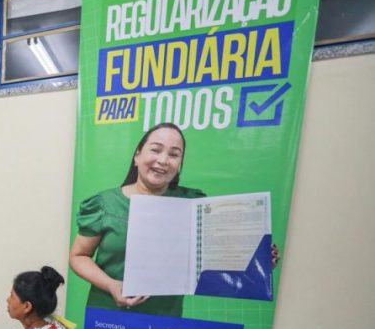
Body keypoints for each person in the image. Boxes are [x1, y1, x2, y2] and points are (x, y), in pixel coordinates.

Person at [70, 122, 280, 316]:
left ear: (179, 164)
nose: (163, 160)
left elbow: (212, 258)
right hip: (108, 317)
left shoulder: (193, 204)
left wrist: (255, 262)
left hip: (165, 321)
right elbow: (78, 256)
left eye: (174, 154)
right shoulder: (104, 204)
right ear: (137, 155)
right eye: (155, 150)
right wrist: (110, 285)